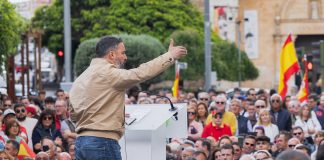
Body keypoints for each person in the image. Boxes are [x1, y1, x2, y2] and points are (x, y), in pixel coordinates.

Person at [69, 36, 187, 159]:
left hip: (81, 143)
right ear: (112, 55)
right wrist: (170, 56)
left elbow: (73, 114)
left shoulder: (80, 78)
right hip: (102, 142)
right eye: (123, 53)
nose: (125, 57)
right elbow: (141, 73)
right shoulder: (109, 73)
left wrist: (111, 114)